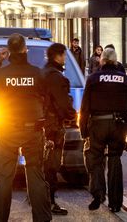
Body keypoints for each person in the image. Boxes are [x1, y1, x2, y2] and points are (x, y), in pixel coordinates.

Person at [0, 34, 52, 222]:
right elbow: (47, 96)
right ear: (24, 49)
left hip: (6, 130)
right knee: (35, 174)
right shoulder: (37, 73)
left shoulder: (2, 74)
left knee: (4, 178)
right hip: (33, 130)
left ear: (9, 51)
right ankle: (42, 218)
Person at [79, 48, 127, 213]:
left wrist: (83, 130)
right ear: (116, 61)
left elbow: (85, 107)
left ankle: (98, 194)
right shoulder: (124, 79)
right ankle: (115, 202)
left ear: (102, 61)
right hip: (119, 124)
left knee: (96, 158)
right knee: (115, 160)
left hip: (97, 124)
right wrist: (121, 108)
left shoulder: (93, 79)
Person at [41, 43, 77, 216]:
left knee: (41, 164)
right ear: (57, 56)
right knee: (52, 165)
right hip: (53, 126)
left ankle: (40, 199)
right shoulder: (57, 78)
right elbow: (63, 104)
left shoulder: (42, 73)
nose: (65, 59)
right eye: (63, 55)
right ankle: (49, 202)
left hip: (40, 126)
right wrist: (73, 116)